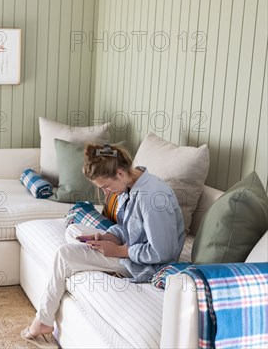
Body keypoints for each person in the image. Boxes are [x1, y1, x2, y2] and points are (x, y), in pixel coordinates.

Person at [21, 143, 185, 349]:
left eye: (105, 186)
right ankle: (98, 256)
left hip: (146, 265)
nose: (106, 192)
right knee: (74, 231)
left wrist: (118, 251)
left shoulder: (151, 198)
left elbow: (163, 251)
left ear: (119, 172)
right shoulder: (131, 185)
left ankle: (43, 321)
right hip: (127, 248)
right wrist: (109, 237)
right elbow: (129, 228)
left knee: (64, 254)